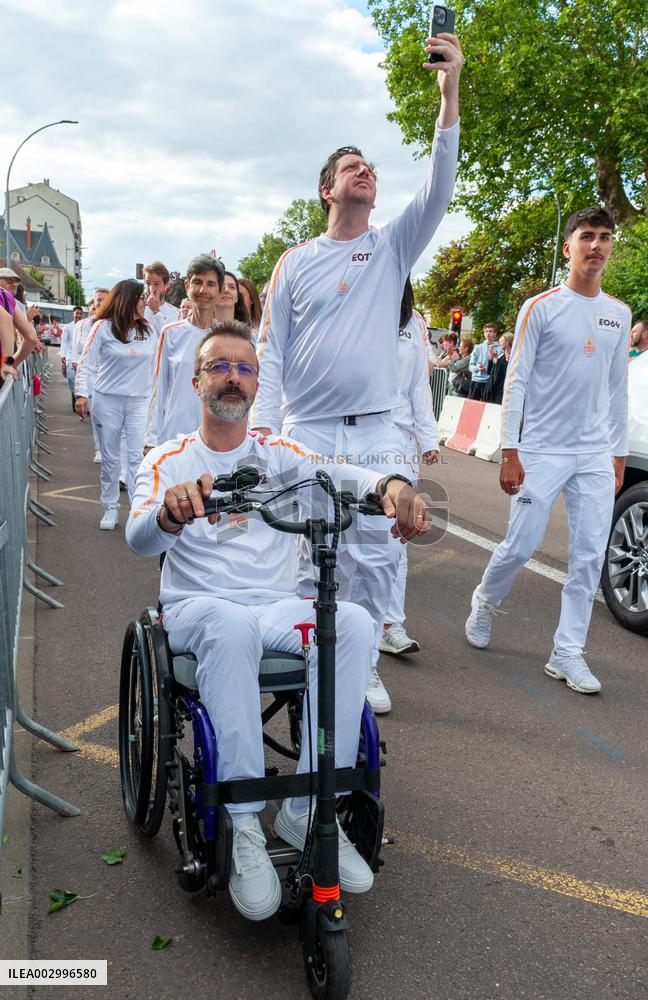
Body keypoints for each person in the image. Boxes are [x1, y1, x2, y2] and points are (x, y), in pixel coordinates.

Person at [126, 320, 431, 921]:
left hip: (271, 604)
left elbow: (340, 475)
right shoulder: (168, 458)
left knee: (353, 623)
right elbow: (138, 539)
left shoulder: (277, 451)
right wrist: (167, 513)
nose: (232, 377)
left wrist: (393, 484)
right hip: (196, 608)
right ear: (197, 381)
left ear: (257, 382)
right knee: (229, 627)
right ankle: (243, 824)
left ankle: (310, 809)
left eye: (244, 368)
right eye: (219, 366)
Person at [251, 30, 463, 713]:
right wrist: (265, 432)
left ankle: (363, 664)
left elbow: (440, 185)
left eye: (370, 165)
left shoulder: (393, 245)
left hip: (375, 433)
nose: (364, 170)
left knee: (374, 553)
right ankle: (314, 654)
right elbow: (272, 353)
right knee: (308, 555)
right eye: (350, 165)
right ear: (326, 189)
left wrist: (447, 90)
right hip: (306, 429)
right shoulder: (294, 260)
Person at [465, 206, 630, 695]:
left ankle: (567, 652)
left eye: (604, 237)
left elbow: (618, 388)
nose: (596, 245)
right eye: (586, 237)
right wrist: (510, 449)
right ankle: (485, 601)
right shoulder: (541, 306)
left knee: (587, 557)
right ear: (568, 247)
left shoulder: (618, 314)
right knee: (521, 543)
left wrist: (617, 454)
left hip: (595, 454)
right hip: (541, 450)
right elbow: (514, 382)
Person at [379, 278, 440, 657]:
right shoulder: (356, 312)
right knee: (360, 541)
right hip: (358, 437)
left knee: (399, 536)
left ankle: (391, 625)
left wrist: (428, 438)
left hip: (399, 441)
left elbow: (419, 383)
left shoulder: (415, 323)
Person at [75, 280, 156, 530]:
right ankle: (110, 507)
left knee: (136, 458)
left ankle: (137, 509)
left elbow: (158, 365)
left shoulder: (150, 330)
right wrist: (81, 394)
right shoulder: (102, 328)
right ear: (128, 301)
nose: (145, 302)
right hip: (107, 399)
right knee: (111, 458)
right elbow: (86, 363)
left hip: (139, 402)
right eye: (141, 298)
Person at [144, 254, 225, 450]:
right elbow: (158, 389)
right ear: (187, 286)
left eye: (210, 284)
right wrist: (150, 439)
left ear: (221, 291)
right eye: (197, 282)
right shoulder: (170, 333)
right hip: (174, 437)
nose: (203, 290)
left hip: (216, 439)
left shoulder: (226, 337)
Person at [71, 288, 109, 462]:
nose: (100, 303)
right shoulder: (85, 324)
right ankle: (99, 449)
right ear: (93, 303)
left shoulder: (115, 323)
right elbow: (79, 348)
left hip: (109, 376)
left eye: (104, 299)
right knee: (97, 416)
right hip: (92, 375)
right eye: (98, 300)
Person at [468, 323, 503, 400]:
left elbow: (500, 366)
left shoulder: (500, 348)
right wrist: (477, 368)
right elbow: (470, 367)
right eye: (486, 331)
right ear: (484, 333)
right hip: (476, 381)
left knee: (487, 407)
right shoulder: (478, 348)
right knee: (472, 407)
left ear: (495, 333)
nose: (488, 333)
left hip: (489, 382)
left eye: (490, 331)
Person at [143, 261, 180, 332]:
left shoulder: (176, 314)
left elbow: (169, 339)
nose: (151, 288)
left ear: (166, 285)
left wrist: (155, 311)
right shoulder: (138, 311)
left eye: (156, 284)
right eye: (148, 283)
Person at [60, 306, 84, 407]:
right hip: (70, 356)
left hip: (81, 357)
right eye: (76, 313)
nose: (78, 315)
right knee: (71, 377)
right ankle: (74, 393)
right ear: (73, 314)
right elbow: (64, 342)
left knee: (82, 378)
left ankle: (81, 396)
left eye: (80, 313)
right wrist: (63, 355)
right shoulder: (67, 327)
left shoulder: (84, 326)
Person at [485, 334, 513, 404]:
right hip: (494, 390)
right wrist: (492, 358)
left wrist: (499, 361)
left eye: (502, 340)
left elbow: (505, 372)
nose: (499, 342)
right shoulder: (501, 356)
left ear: (507, 342)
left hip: (503, 391)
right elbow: (489, 372)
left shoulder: (512, 356)